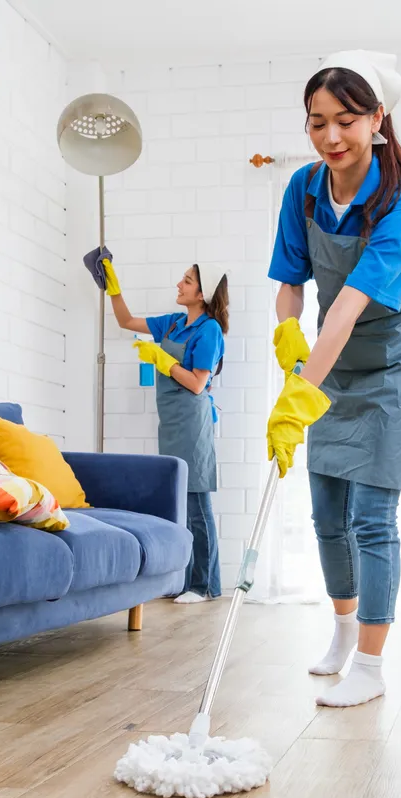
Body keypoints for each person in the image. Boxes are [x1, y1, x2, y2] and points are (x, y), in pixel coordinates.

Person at [266, 51, 401, 707]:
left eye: (346, 120)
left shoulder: (398, 202)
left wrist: (298, 395)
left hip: (393, 362)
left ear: (377, 119)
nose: (331, 136)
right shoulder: (304, 187)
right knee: (325, 514)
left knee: (371, 517)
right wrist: (289, 338)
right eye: (317, 123)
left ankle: (370, 666)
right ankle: (343, 630)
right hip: (329, 360)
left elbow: (344, 308)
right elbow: (291, 283)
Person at [101, 257, 229, 604]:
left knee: (196, 502)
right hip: (171, 421)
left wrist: (165, 361)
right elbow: (126, 321)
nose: (179, 284)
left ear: (202, 294)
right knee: (181, 502)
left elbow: (198, 384)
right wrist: (113, 289)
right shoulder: (173, 323)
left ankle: (204, 585)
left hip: (192, 423)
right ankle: (185, 582)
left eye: (187, 281)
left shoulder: (209, 330)